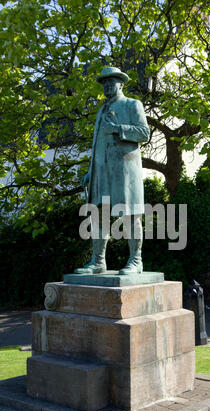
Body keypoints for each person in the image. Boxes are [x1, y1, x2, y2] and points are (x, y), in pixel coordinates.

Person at [76, 66, 150, 275]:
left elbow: (145, 133)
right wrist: (91, 172)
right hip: (101, 173)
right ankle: (98, 261)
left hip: (125, 171)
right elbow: (98, 146)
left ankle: (136, 260)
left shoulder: (132, 104)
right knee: (98, 215)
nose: (108, 85)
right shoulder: (100, 111)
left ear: (121, 83)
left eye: (112, 81)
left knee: (130, 215)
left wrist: (118, 129)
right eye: (104, 82)